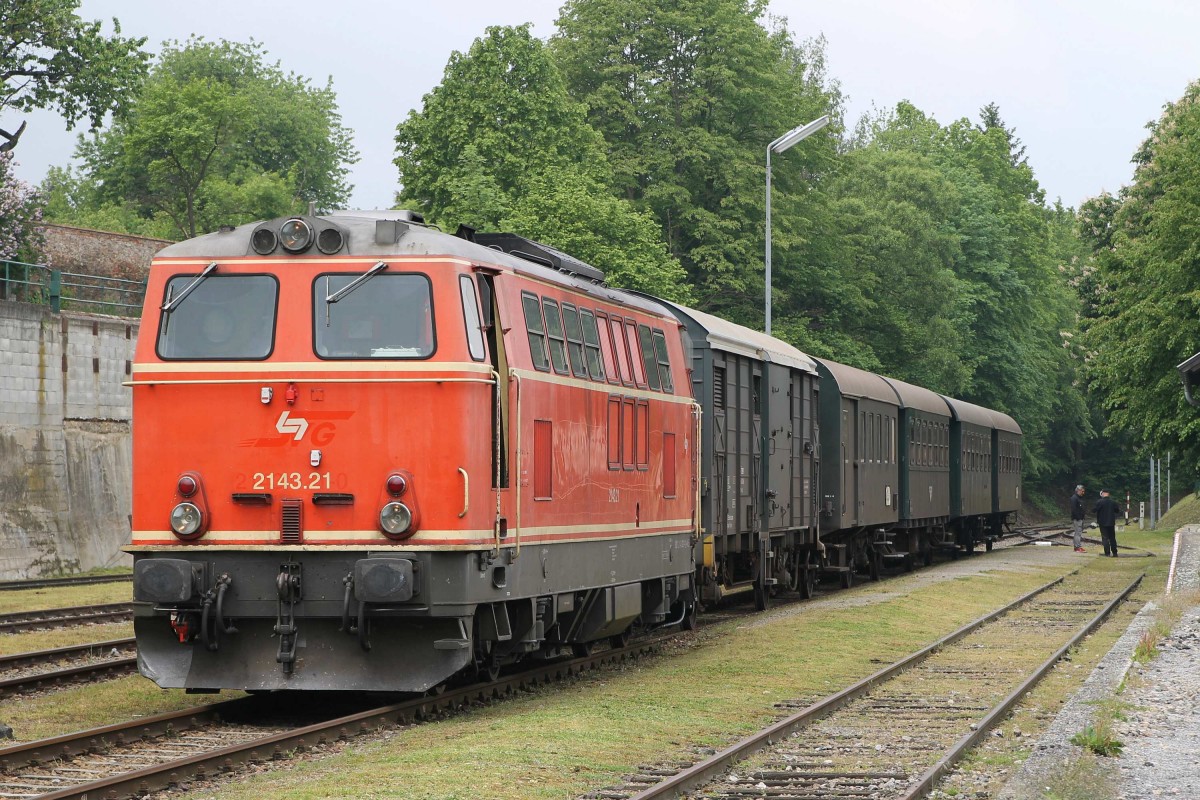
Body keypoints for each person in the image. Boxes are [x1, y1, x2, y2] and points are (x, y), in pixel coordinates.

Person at [1094, 490, 1123, 557]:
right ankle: (1114, 552)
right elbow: (1117, 510)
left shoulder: (1099, 502)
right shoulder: (1113, 502)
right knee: (1112, 537)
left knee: (1105, 538)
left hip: (1102, 522)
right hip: (1111, 522)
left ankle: (1107, 553)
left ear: (1103, 494)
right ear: (1108, 494)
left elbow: (1095, 510)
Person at [1070, 485, 1086, 552]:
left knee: (1079, 532)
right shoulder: (1074, 498)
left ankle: (1078, 546)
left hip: (1080, 518)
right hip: (1077, 518)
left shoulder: (1079, 498)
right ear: (1078, 490)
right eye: (1082, 491)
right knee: (1078, 533)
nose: (1083, 493)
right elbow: (1074, 509)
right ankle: (1077, 547)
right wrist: (1078, 517)